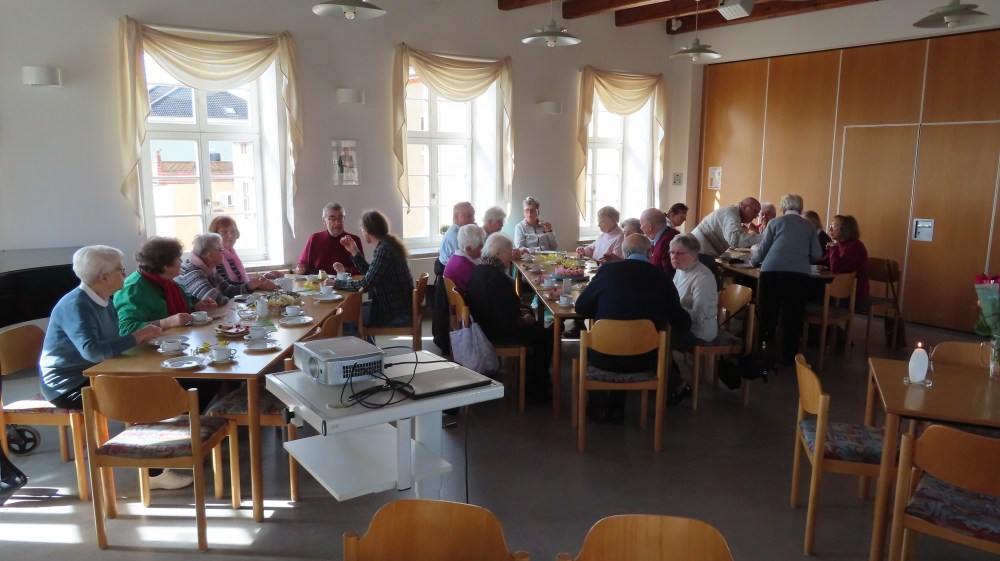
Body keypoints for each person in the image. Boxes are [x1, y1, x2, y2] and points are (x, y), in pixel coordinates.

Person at [39, 247, 194, 491]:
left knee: (164, 380)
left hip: (99, 370)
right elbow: (92, 351)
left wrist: (143, 334)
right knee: (145, 395)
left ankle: (174, 448)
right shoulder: (77, 305)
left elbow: (114, 340)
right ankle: (152, 474)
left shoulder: (103, 298)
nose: (125, 274)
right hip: (69, 384)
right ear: (104, 277)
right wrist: (136, 336)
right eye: (120, 270)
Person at [574, 234, 694, 421]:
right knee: (632, 342)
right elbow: (682, 323)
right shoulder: (662, 277)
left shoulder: (607, 271)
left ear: (623, 252)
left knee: (607, 343)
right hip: (645, 360)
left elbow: (581, 308)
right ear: (650, 252)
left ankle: (599, 407)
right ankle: (616, 407)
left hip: (603, 357)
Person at [465, 233, 553, 399]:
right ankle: (536, 390)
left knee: (536, 324)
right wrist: (523, 320)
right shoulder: (497, 278)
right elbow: (508, 323)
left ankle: (532, 379)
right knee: (545, 336)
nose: (511, 256)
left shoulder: (480, 270)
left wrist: (520, 312)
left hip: (483, 325)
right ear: (498, 254)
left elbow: (502, 308)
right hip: (494, 332)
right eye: (509, 253)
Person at [750, 193, 822, 364]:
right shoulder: (809, 227)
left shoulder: (775, 223)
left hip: (772, 272)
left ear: (782, 208)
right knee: (793, 317)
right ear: (801, 208)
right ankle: (790, 356)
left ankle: (764, 351)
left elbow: (763, 249)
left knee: (768, 314)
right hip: (798, 276)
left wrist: (753, 262)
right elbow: (817, 254)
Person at [115, 237, 217, 335]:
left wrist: (196, 308)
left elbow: (182, 311)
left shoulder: (168, 282)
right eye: (178, 258)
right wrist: (168, 322)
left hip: (174, 339)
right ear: (166, 266)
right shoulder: (133, 289)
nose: (181, 261)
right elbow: (126, 329)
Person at [329, 210, 414, 328]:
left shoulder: (384, 250)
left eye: (362, 229)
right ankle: (366, 339)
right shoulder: (388, 245)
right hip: (398, 306)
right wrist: (354, 252)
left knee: (344, 321)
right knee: (349, 310)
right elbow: (372, 275)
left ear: (367, 230)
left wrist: (336, 283)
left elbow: (366, 285)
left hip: (395, 311)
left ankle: (362, 339)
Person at [175, 233, 270, 306]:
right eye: (221, 249)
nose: (224, 252)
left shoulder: (210, 268)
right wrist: (231, 299)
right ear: (210, 255)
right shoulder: (192, 272)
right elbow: (215, 299)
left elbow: (229, 290)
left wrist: (249, 286)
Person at [432, 201, 476, 352]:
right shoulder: (456, 236)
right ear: (456, 217)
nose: (472, 219)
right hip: (451, 283)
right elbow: (466, 258)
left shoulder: (459, 232)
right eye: (468, 215)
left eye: (473, 215)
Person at [669, 233, 719, 357]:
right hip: (682, 325)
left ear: (694, 255)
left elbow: (699, 316)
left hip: (699, 332)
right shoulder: (681, 270)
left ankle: (667, 368)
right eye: (672, 252)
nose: (674, 257)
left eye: (680, 253)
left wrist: (673, 311)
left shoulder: (703, 277)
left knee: (659, 337)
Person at [690, 196, 763, 268]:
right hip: (698, 254)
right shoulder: (732, 213)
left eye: (757, 214)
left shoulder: (733, 212)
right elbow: (735, 240)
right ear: (743, 206)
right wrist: (763, 238)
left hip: (696, 251)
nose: (755, 217)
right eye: (755, 211)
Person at [208, 215, 284, 283]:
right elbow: (228, 287)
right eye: (224, 232)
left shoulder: (232, 255)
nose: (230, 235)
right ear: (215, 235)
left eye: (232, 231)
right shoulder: (216, 258)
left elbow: (242, 283)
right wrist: (258, 282)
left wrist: (264, 277)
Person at [296, 203, 364, 275]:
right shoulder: (314, 239)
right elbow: (302, 264)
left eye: (340, 218)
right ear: (324, 221)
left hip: (344, 281)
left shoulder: (353, 240)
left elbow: (362, 269)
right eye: (332, 219)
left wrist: (345, 270)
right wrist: (300, 269)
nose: (337, 222)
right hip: (319, 281)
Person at [821, 214, 870, 307]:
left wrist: (833, 249)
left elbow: (836, 268)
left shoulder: (855, 246)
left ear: (845, 229)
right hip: (840, 288)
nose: (830, 229)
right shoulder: (840, 244)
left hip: (852, 293)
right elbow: (825, 262)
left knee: (815, 295)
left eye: (834, 226)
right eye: (830, 225)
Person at [443, 224, 486, 295]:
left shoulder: (458, 256)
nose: (483, 249)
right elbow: (478, 287)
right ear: (468, 249)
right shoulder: (463, 265)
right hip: (464, 299)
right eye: (480, 246)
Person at [639, 207, 678, 277]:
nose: (640, 228)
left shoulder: (670, 240)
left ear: (649, 225)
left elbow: (669, 274)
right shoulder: (661, 238)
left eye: (641, 224)